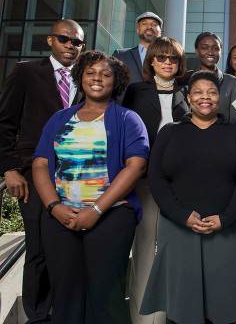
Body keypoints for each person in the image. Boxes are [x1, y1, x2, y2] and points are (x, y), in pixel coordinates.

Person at [32, 50, 150, 323]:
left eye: (105, 74)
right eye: (90, 73)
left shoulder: (126, 119)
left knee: (105, 294)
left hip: (111, 215)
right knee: (65, 293)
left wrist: (96, 210)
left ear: (116, 80)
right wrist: (54, 207)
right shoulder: (59, 119)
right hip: (60, 216)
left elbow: (136, 166)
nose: (97, 78)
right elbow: (39, 164)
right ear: (80, 78)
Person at [140, 71, 236, 324]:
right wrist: (182, 216)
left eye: (212, 92)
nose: (205, 97)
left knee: (226, 307)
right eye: (199, 92)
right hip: (179, 228)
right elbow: (156, 178)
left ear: (220, 97)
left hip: (227, 229)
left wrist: (226, 218)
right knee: (182, 309)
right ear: (188, 97)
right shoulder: (169, 132)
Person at [0, 19, 85, 323]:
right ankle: (37, 316)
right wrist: (9, 168)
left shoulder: (87, 78)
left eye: (77, 42)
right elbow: (5, 123)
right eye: (64, 39)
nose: (70, 46)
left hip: (76, 176)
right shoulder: (25, 72)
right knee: (37, 248)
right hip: (30, 174)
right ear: (50, 40)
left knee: (68, 245)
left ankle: (64, 312)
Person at [121, 36, 189, 324]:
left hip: (181, 185)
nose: (167, 63)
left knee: (180, 253)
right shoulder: (135, 91)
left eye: (173, 58)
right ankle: (145, 320)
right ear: (151, 61)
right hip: (145, 181)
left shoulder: (189, 92)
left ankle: (177, 316)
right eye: (161, 57)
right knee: (146, 250)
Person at [188, 32, 236, 123]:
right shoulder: (186, 78)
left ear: (220, 52)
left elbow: (234, 118)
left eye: (216, 48)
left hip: (222, 134)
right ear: (197, 52)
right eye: (205, 48)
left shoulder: (231, 81)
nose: (210, 52)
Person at [113, 12, 163, 87]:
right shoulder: (121, 55)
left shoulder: (169, 59)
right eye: (144, 23)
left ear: (160, 32)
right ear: (137, 30)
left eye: (154, 24)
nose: (149, 27)